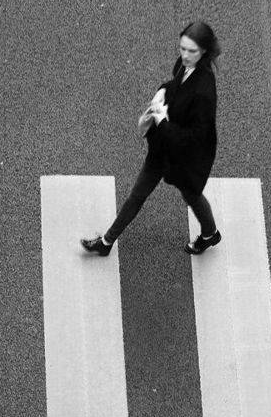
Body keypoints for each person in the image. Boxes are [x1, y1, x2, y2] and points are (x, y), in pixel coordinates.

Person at [81, 20, 222, 257]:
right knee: (138, 194)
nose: (185, 56)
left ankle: (210, 234)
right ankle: (106, 242)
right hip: (163, 149)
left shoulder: (205, 91)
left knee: (192, 195)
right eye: (182, 48)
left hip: (185, 157)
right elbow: (174, 85)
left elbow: (195, 137)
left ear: (204, 51)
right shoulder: (185, 65)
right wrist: (162, 91)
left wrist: (163, 122)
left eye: (192, 51)